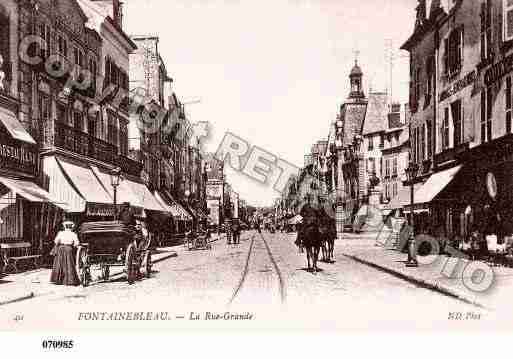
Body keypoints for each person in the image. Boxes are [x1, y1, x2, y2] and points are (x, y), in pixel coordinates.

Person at [50, 219, 80, 286]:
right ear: (71, 227)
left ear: (65, 226)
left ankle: (57, 279)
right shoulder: (73, 234)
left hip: (61, 249)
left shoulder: (60, 233)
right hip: (68, 249)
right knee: (69, 263)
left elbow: (56, 241)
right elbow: (76, 243)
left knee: (59, 263)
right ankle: (70, 280)